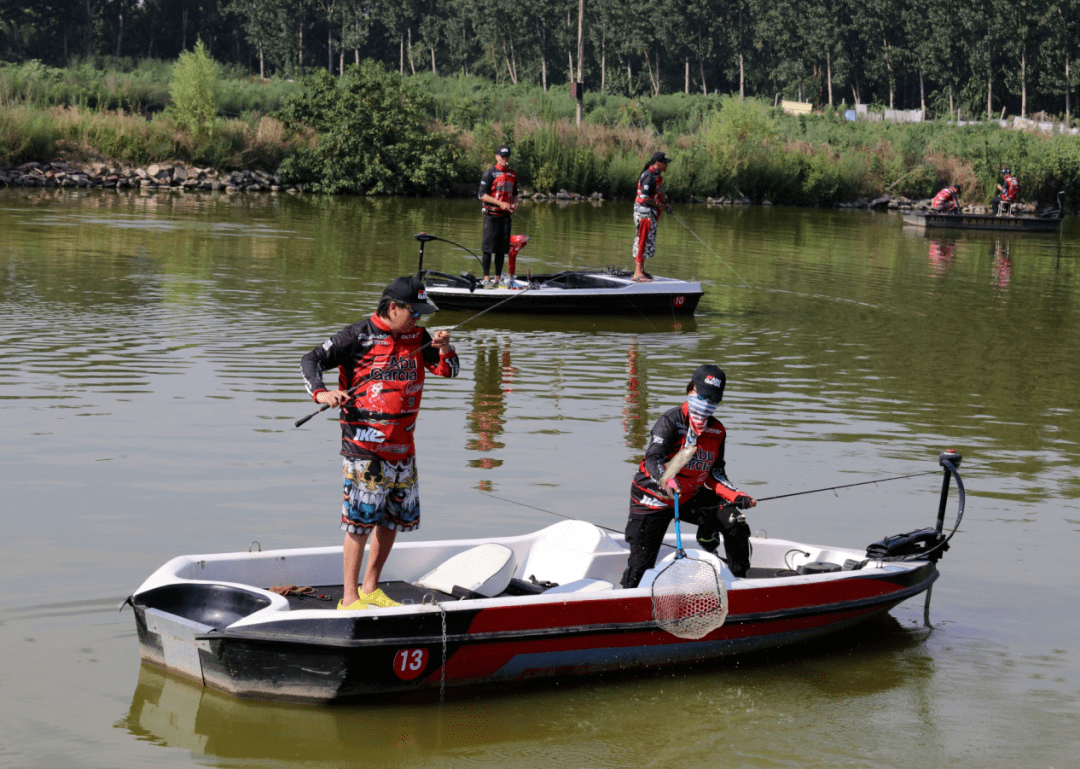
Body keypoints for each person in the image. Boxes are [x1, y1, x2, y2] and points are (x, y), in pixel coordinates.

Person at [301, 276, 460, 610]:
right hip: (365, 448)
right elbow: (310, 359)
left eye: (421, 313)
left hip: (404, 448)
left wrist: (445, 348)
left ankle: (371, 587)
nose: (418, 319)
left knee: (392, 520)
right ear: (393, 308)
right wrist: (323, 392)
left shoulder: (418, 336)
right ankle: (349, 597)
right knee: (359, 523)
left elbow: (449, 372)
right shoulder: (357, 335)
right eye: (413, 312)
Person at [620, 364, 757, 589]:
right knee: (640, 564)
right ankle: (630, 596)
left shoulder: (717, 431)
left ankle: (739, 582)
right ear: (690, 389)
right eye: (702, 395)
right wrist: (667, 479)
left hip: (688, 495)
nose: (707, 403)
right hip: (652, 498)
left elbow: (715, 472)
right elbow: (652, 459)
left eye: (713, 399)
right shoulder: (671, 421)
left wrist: (736, 495)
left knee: (734, 519)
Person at [478, 146, 519, 288]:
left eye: (507, 156)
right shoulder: (489, 173)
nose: (505, 159)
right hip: (491, 215)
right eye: (502, 156)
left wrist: (513, 204)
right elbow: (481, 195)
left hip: (505, 216)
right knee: (488, 248)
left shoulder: (513, 174)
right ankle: (486, 278)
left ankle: (498, 278)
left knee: (502, 249)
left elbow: (514, 194)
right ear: (496, 156)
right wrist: (499, 203)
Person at [632, 151, 671, 282]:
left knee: (647, 241)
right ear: (658, 163)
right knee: (642, 240)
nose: (666, 165)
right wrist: (660, 205)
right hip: (644, 213)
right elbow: (644, 197)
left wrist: (664, 203)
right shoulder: (648, 176)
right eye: (665, 163)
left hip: (651, 213)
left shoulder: (657, 175)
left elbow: (659, 192)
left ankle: (641, 270)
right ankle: (637, 273)